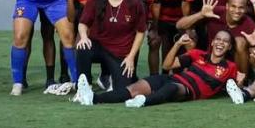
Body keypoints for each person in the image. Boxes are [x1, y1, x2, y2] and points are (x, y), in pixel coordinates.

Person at [77, 32, 238, 108]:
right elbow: (167, 66)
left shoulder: (230, 67)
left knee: (172, 88)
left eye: (225, 41)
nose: (220, 43)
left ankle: (145, 101)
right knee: (135, 88)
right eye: (217, 39)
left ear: (229, 46)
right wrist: (177, 45)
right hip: (172, 78)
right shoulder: (198, 54)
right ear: (212, 42)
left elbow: (237, 85)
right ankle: (93, 99)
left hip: (189, 90)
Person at [75, 0, 147, 96]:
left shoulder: (135, 4)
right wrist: (84, 37)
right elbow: (83, 23)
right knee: (83, 47)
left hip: (120, 51)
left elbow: (140, 32)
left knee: (123, 91)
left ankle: (108, 77)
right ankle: (84, 86)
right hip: (99, 46)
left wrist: (131, 57)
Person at [176, 0, 255, 78]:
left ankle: (240, 83)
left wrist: (253, 46)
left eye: (241, 8)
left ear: (245, 9)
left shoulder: (249, 24)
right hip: (210, 58)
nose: (237, 11)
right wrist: (201, 14)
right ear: (227, 6)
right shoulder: (215, 12)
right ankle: (187, 69)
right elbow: (179, 25)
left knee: (240, 41)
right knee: (189, 35)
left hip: (233, 65)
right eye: (233, 6)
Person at [146, 0, 196, 77]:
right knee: (155, 41)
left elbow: (186, 5)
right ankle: (155, 77)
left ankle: (189, 75)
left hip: (180, 19)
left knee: (190, 39)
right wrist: (154, 28)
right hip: (161, 18)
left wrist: (187, 27)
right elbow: (155, 5)